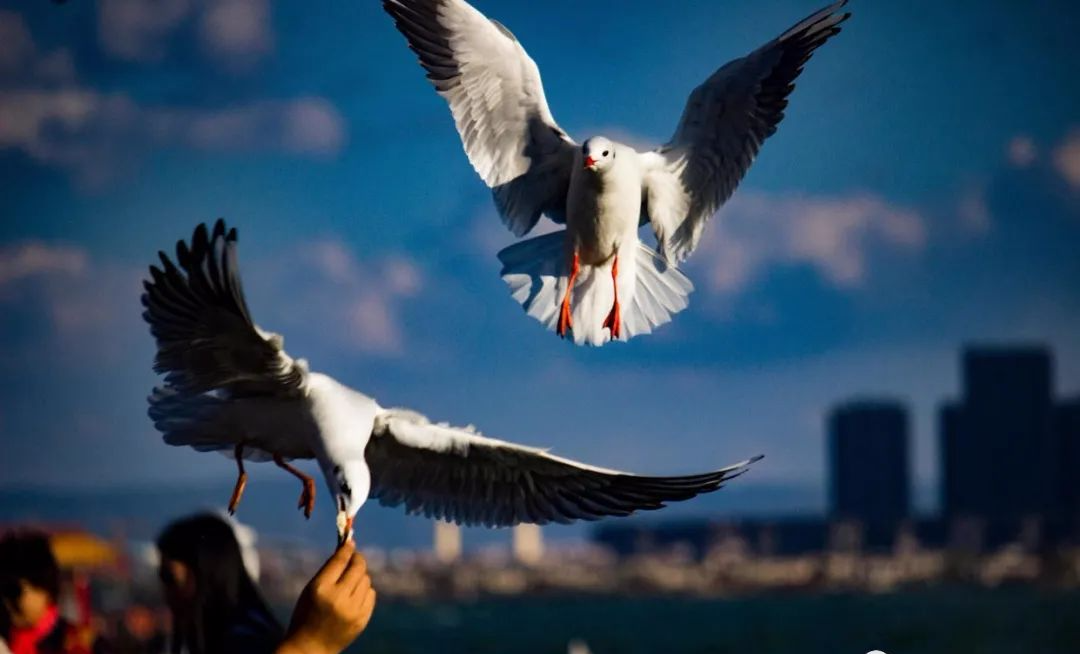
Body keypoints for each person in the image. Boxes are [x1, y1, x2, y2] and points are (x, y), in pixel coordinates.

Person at [156, 513, 375, 654]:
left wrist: (312, 644)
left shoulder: (245, 640)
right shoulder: (248, 628)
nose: (165, 591)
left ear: (208, 572)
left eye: (169, 577)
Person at [0, 531, 107, 654]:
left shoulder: (81, 643)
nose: (7, 602)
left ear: (43, 589)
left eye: (13, 591)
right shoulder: (5, 640)